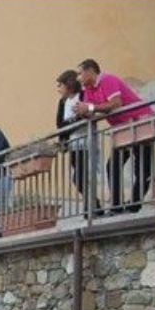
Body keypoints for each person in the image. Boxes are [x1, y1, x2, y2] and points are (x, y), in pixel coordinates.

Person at [74, 58, 155, 213]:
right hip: (123, 129)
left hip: (140, 121)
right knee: (113, 165)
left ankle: (135, 205)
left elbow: (116, 103)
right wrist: (82, 112)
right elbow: (92, 112)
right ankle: (117, 206)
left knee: (142, 166)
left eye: (80, 73)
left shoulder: (107, 79)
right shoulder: (87, 90)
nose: (78, 78)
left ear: (91, 70)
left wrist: (90, 107)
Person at [56, 69, 102, 216]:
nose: (59, 89)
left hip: (87, 140)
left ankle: (92, 206)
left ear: (68, 85)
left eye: (60, 85)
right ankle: (93, 204)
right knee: (78, 177)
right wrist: (63, 140)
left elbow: (87, 114)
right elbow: (59, 124)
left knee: (83, 175)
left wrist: (72, 122)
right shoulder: (63, 102)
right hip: (74, 144)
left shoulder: (83, 95)